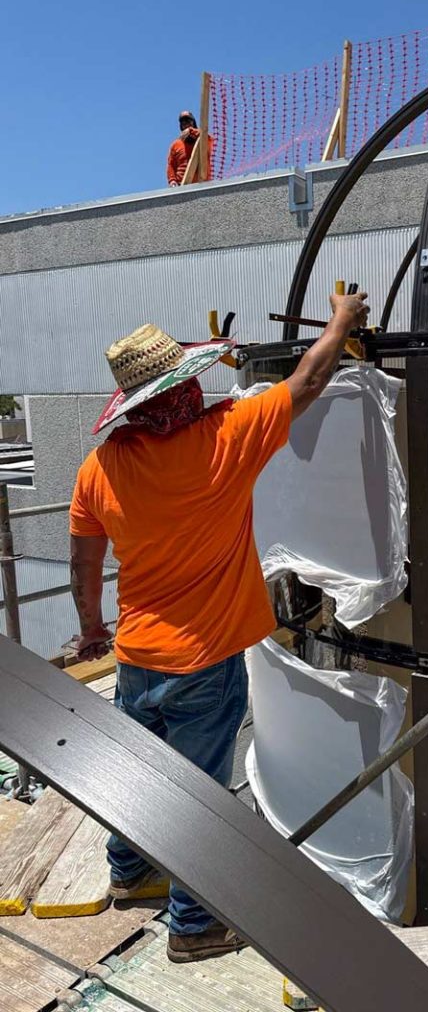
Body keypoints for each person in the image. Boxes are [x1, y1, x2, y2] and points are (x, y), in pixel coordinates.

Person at [69, 291, 369, 963]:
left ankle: (128, 871)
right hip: (203, 661)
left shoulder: (101, 466)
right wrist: (343, 320)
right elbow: (310, 380)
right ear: (184, 384)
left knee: (138, 777)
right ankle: (195, 926)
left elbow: (83, 562)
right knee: (198, 795)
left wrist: (92, 628)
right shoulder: (227, 436)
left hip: (136, 655)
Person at [166, 110, 212, 186]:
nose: (185, 123)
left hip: (203, 184)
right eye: (183, 122)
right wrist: (172, 180)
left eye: (188, 120)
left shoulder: (202, 138)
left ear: (193, 122)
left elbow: (210, 140)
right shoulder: (175, 144)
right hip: (183, 185)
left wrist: (191, 131)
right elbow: (171, 165)